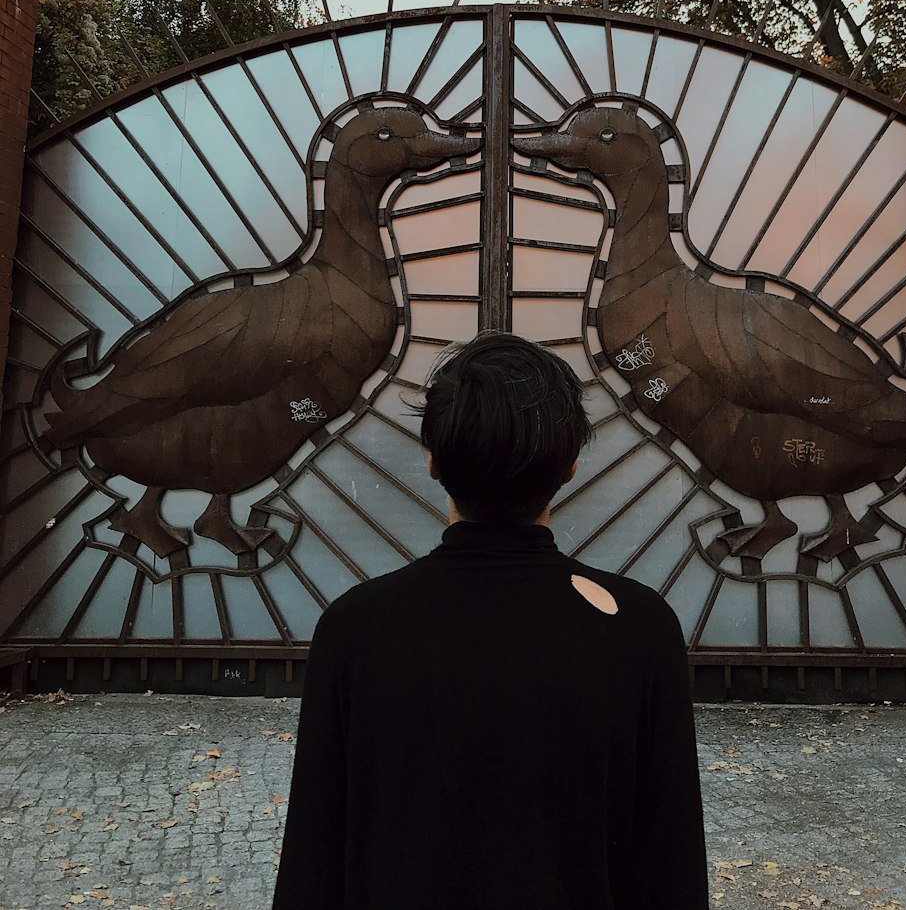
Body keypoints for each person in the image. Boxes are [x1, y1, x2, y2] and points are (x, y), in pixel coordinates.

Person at [272, 332, 708, 909]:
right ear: (573, 465)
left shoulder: (356, 628)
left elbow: (315, 856)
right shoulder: (640, 628)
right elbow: (669, 864)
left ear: (432, 461)